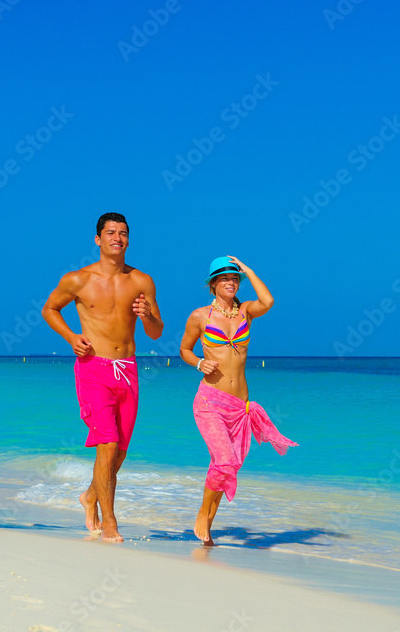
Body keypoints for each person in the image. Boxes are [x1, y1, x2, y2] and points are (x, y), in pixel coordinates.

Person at [42, 212, 163, 542]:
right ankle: (110, 522)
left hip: (128, 369)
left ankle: (90, 496)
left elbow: (155, 332)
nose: (117, 238)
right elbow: (50, 309)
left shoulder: (142, 281)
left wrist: (148, 315)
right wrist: (71, 337)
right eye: (110, 233)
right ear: (98, 239)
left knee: (119, 452)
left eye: (123, 233)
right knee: (107, 446)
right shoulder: (78, 280)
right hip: (93, 368)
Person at [180, 256, 298, 546]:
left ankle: (208, 523)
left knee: (225, 466)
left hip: (239, 407)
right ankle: (202, 514)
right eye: (224, 278)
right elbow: (184, 348)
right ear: (213, 284)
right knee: (224, 460)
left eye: (234, 278)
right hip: (210, 401)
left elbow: (267, 301)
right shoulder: (200, 316)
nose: (231, 282)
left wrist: (249, 270)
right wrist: (198, 363)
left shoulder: (245, 312)